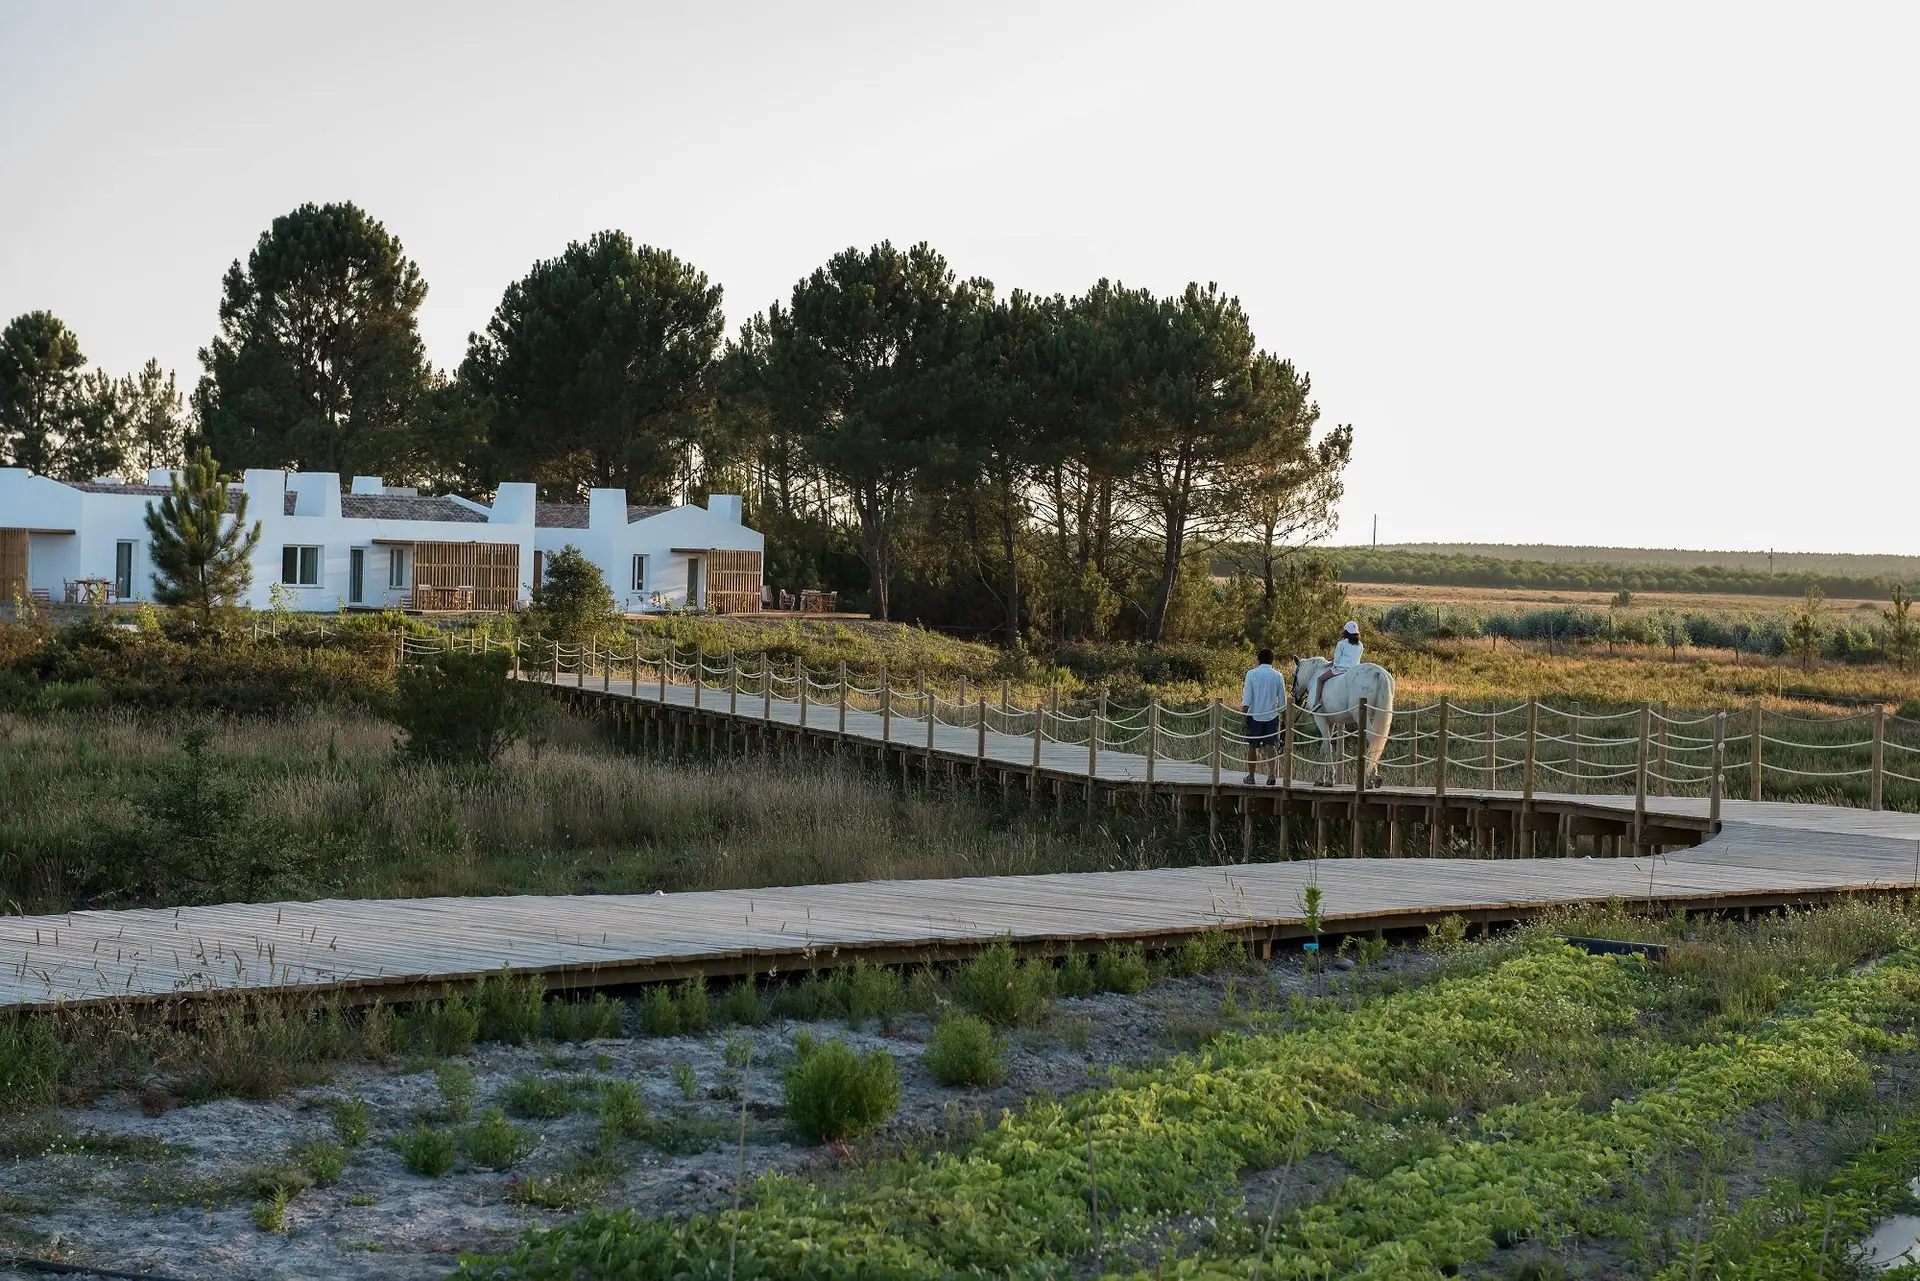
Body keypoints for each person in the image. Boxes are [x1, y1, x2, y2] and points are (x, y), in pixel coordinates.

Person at [1242, 647, 1285, 785]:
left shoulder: (1251, 674)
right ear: (1272, 660)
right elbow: (1282, 701)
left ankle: (1251, 776)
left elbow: (1247, 697)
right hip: (1272, 715)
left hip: (1254, 714)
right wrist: (1285, 719)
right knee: (1271, 745)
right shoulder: (1278, 675)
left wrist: (1243, 715)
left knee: (1252, 746)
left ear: (1258, 659)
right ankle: (1272, 775)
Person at [1312, 621, 1364, 712]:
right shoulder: (1360, 645)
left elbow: (1336, 662)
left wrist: (1332, 662)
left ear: (1346, 632)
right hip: (1355, 671)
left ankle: (1317, 703)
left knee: (1320, 679)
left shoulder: (1341, 643)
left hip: (1340, 670)